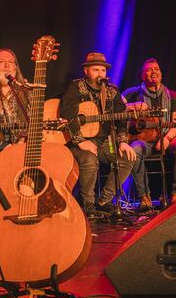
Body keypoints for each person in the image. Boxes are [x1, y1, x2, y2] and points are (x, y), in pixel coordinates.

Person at [59, 52, 137, 217]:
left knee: (127, 157)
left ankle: (104, 201)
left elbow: (121, 119)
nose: (100, 74)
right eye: (96, 70)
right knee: (89, 158)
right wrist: (80, 141)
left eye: (103, 70)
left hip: (103, 141)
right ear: (86, 71)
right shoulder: (75, 87)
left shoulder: (112, 92)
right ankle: (88, 205)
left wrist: (123, 141)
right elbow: (67, 113)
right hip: (79, 141)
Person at [123, 58, 176, 209]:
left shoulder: (173, 96)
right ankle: (144, 196)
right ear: (142, 76)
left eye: (157, 69)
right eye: (149, 69)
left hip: (167, 137)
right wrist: (132, 105)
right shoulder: (132, 94)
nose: (154, 72)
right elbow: (117, 106)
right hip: (143, 140)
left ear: (161, 74)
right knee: (134, 150)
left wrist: (167, 139)